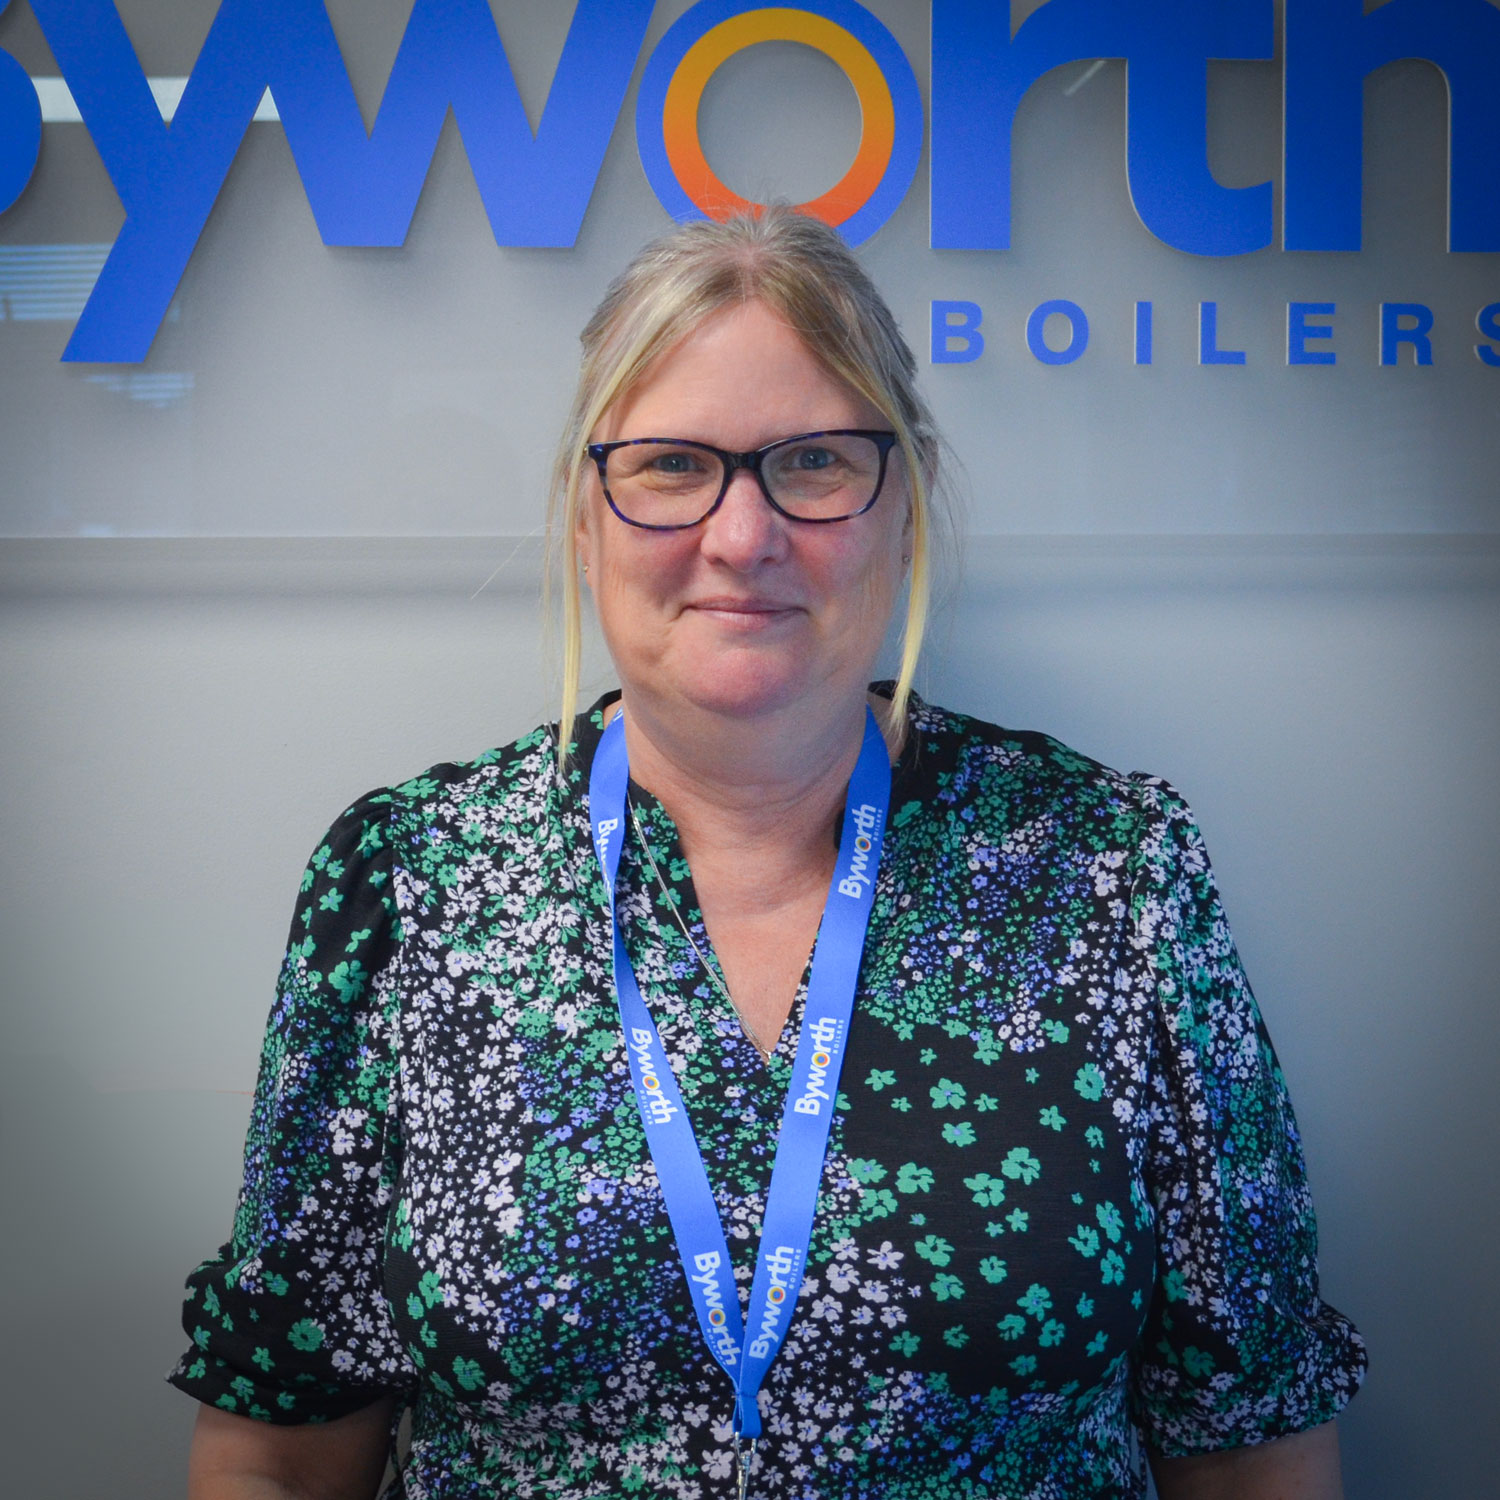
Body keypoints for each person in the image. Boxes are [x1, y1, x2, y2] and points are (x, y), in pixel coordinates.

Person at [173, 208, 1365, 1499]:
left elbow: (1253, 1445)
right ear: (586, 519)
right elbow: (281, 1454)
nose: (741, 538)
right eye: (673, 466)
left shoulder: (1109, 876)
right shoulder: (409, 887)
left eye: (810, 462)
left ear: (903, 508)